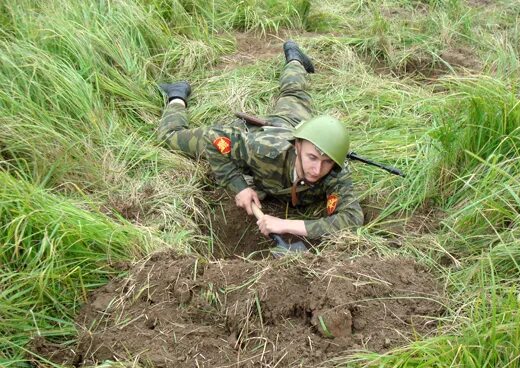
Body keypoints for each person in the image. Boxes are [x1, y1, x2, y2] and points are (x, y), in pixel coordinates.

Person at [156, 40, 364, 239]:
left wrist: (285, 225)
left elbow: (352, 218)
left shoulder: (335, 172)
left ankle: (294, 59)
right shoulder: (263, 150)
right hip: (269, 133)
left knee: (294, 93)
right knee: (171, 137)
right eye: (312, 158)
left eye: (326, 161)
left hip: (291, 121)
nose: (317, 170)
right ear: (298, 145)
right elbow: (214, 141)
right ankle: (177, 95)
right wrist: (239, 187)